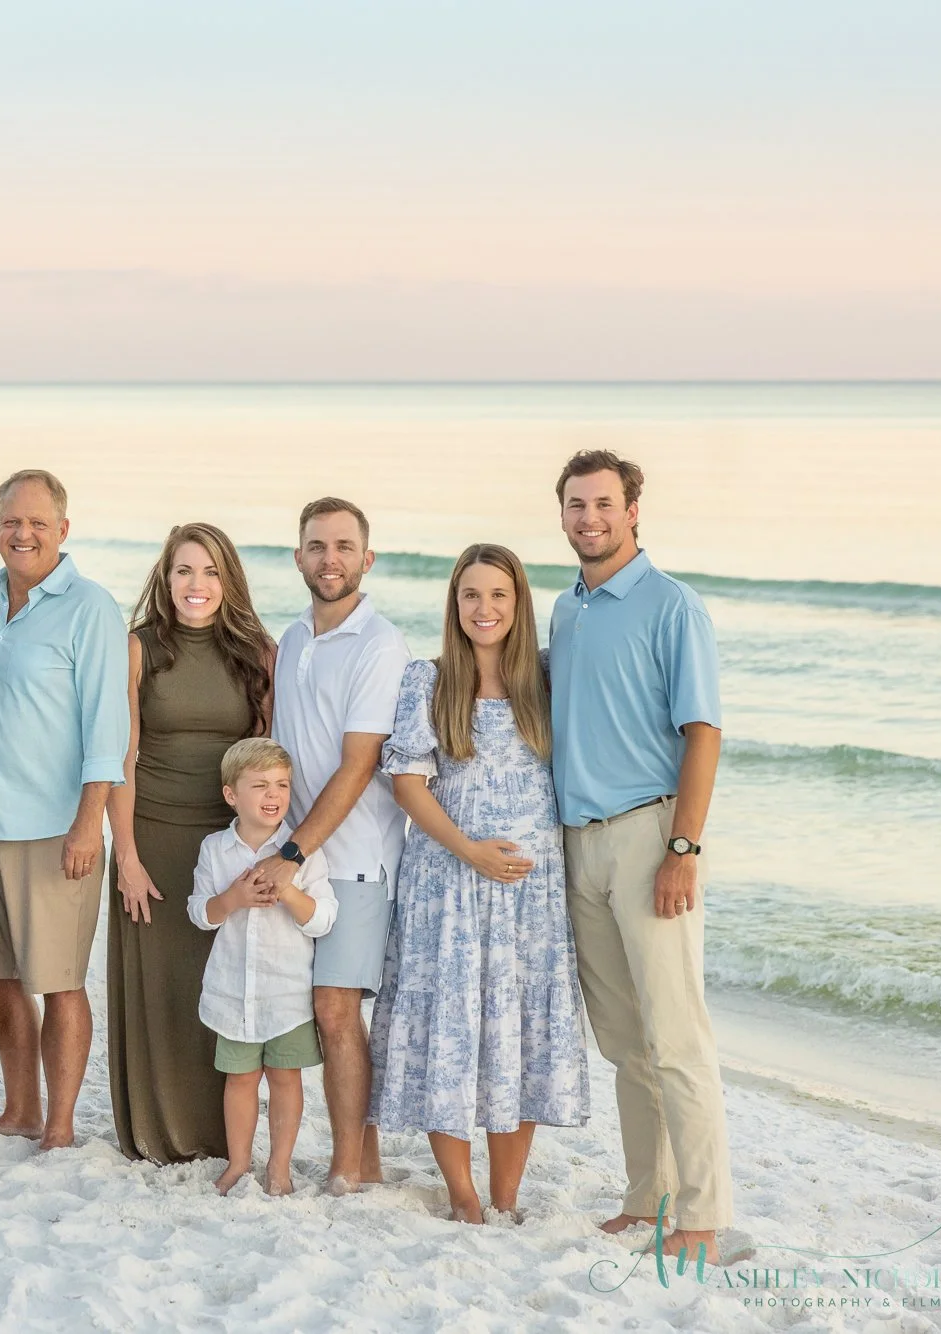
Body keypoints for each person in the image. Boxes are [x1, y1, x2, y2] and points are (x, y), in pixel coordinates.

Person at [369, 544, 589, 1223]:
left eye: (499, 595)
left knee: (518, 1035)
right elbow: (406, 781)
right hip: (450, 884)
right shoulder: (426, 681)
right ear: (454, 604)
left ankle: (507, 1195)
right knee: (451, 1029)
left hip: (532, 894)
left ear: (519, 604)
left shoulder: (549, 681)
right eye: (471, 595)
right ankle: (463, 1195)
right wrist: (470, 851)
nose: (484, 608)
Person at [550, 449, 733, 1261]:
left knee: (679, 1038)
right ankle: (645, 1197)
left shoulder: (673, 606)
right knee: (624, 1043)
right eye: (576, 505)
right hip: (576, 844)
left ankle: (703, 1214)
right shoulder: (566, 609)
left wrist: (683, 849)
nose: (589, 518)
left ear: (632, 512)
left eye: (603, 504)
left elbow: (704, 733)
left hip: (649, 836)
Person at [0, 469, 131, 1151]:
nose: (22, 533)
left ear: (63, 529)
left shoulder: (90, 607)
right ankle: (20, 1108)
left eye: (37, 522)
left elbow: (108, 724)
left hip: (56, 827)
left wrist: (89, 820)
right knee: (1, 980)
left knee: (59, 983)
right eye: (11, 522)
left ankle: (60, 1124)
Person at [105, 522, 273, 1164]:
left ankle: (221, 1136)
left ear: (228, 579)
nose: (195, 585)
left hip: (229, 839)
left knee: (227, 981)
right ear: (164, 578)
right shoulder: (138, 648)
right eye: (183, 571)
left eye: (209, 572)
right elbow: (121, 755)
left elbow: (268, 760)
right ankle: (156, 1132)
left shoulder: (259, 651)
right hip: (152, 835)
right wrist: (126, 855)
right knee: (162, 983)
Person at [261, 497, 410, 1194]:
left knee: (337, 1012)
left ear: (366, 559)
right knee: (321, 1013)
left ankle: (349, 1166)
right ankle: (365, 1157)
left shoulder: (381, 646)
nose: (331, 560)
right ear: (299, 558)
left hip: (353, 861)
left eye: (344, 547)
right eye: (317, 547)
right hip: (302, 859)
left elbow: (359, 765)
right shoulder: (292, 640)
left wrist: (293, 850)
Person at [190, 738, 337, 1196]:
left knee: (285, 1079)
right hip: (233, 992)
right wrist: (233, 899)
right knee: (240, 1080)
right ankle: (237, 1164)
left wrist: (288, 888)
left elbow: (324, 919)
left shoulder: (304, 851)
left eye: (281, 785)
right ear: (232, 795)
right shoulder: (215, 849)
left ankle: (279, 1166)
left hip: (286, 993)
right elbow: (200, 913)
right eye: (260, 786)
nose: (273, 795)